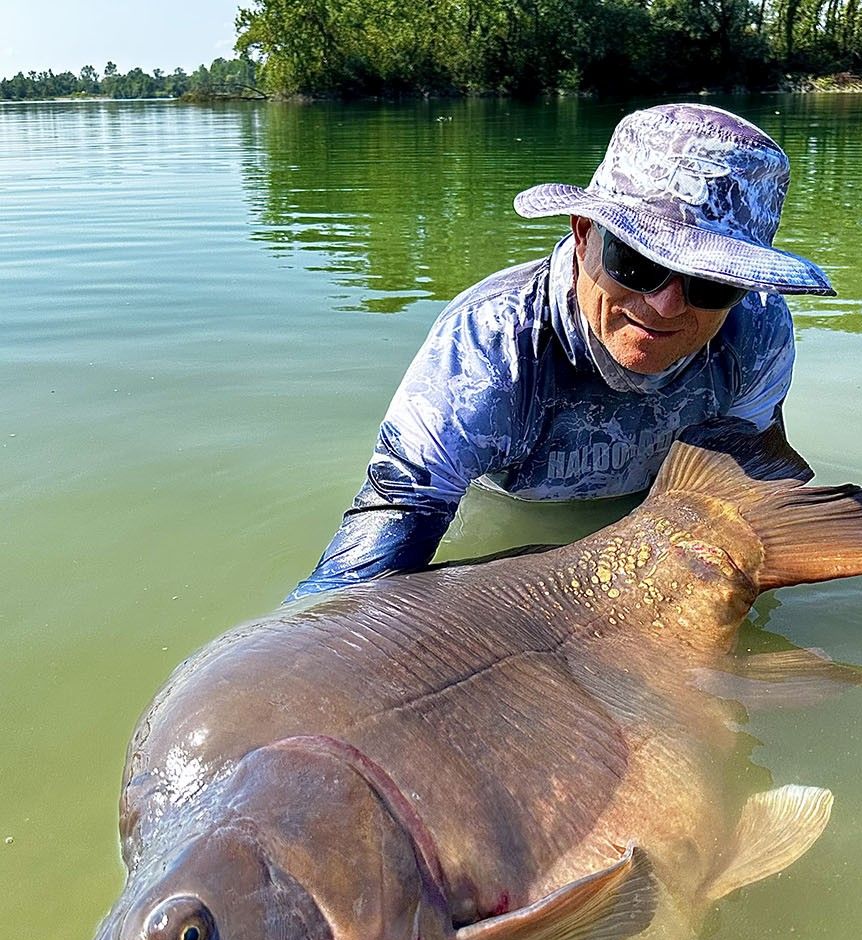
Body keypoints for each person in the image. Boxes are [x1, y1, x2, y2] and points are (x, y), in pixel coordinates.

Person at [287, 103, 834, 600]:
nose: (665, 306)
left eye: (711, 283)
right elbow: (386, 536)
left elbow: (746, 481)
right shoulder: (489, 345)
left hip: (665, 515)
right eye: (637, 262)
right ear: (582, 232)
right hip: (515, 518)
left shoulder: (756, 325)